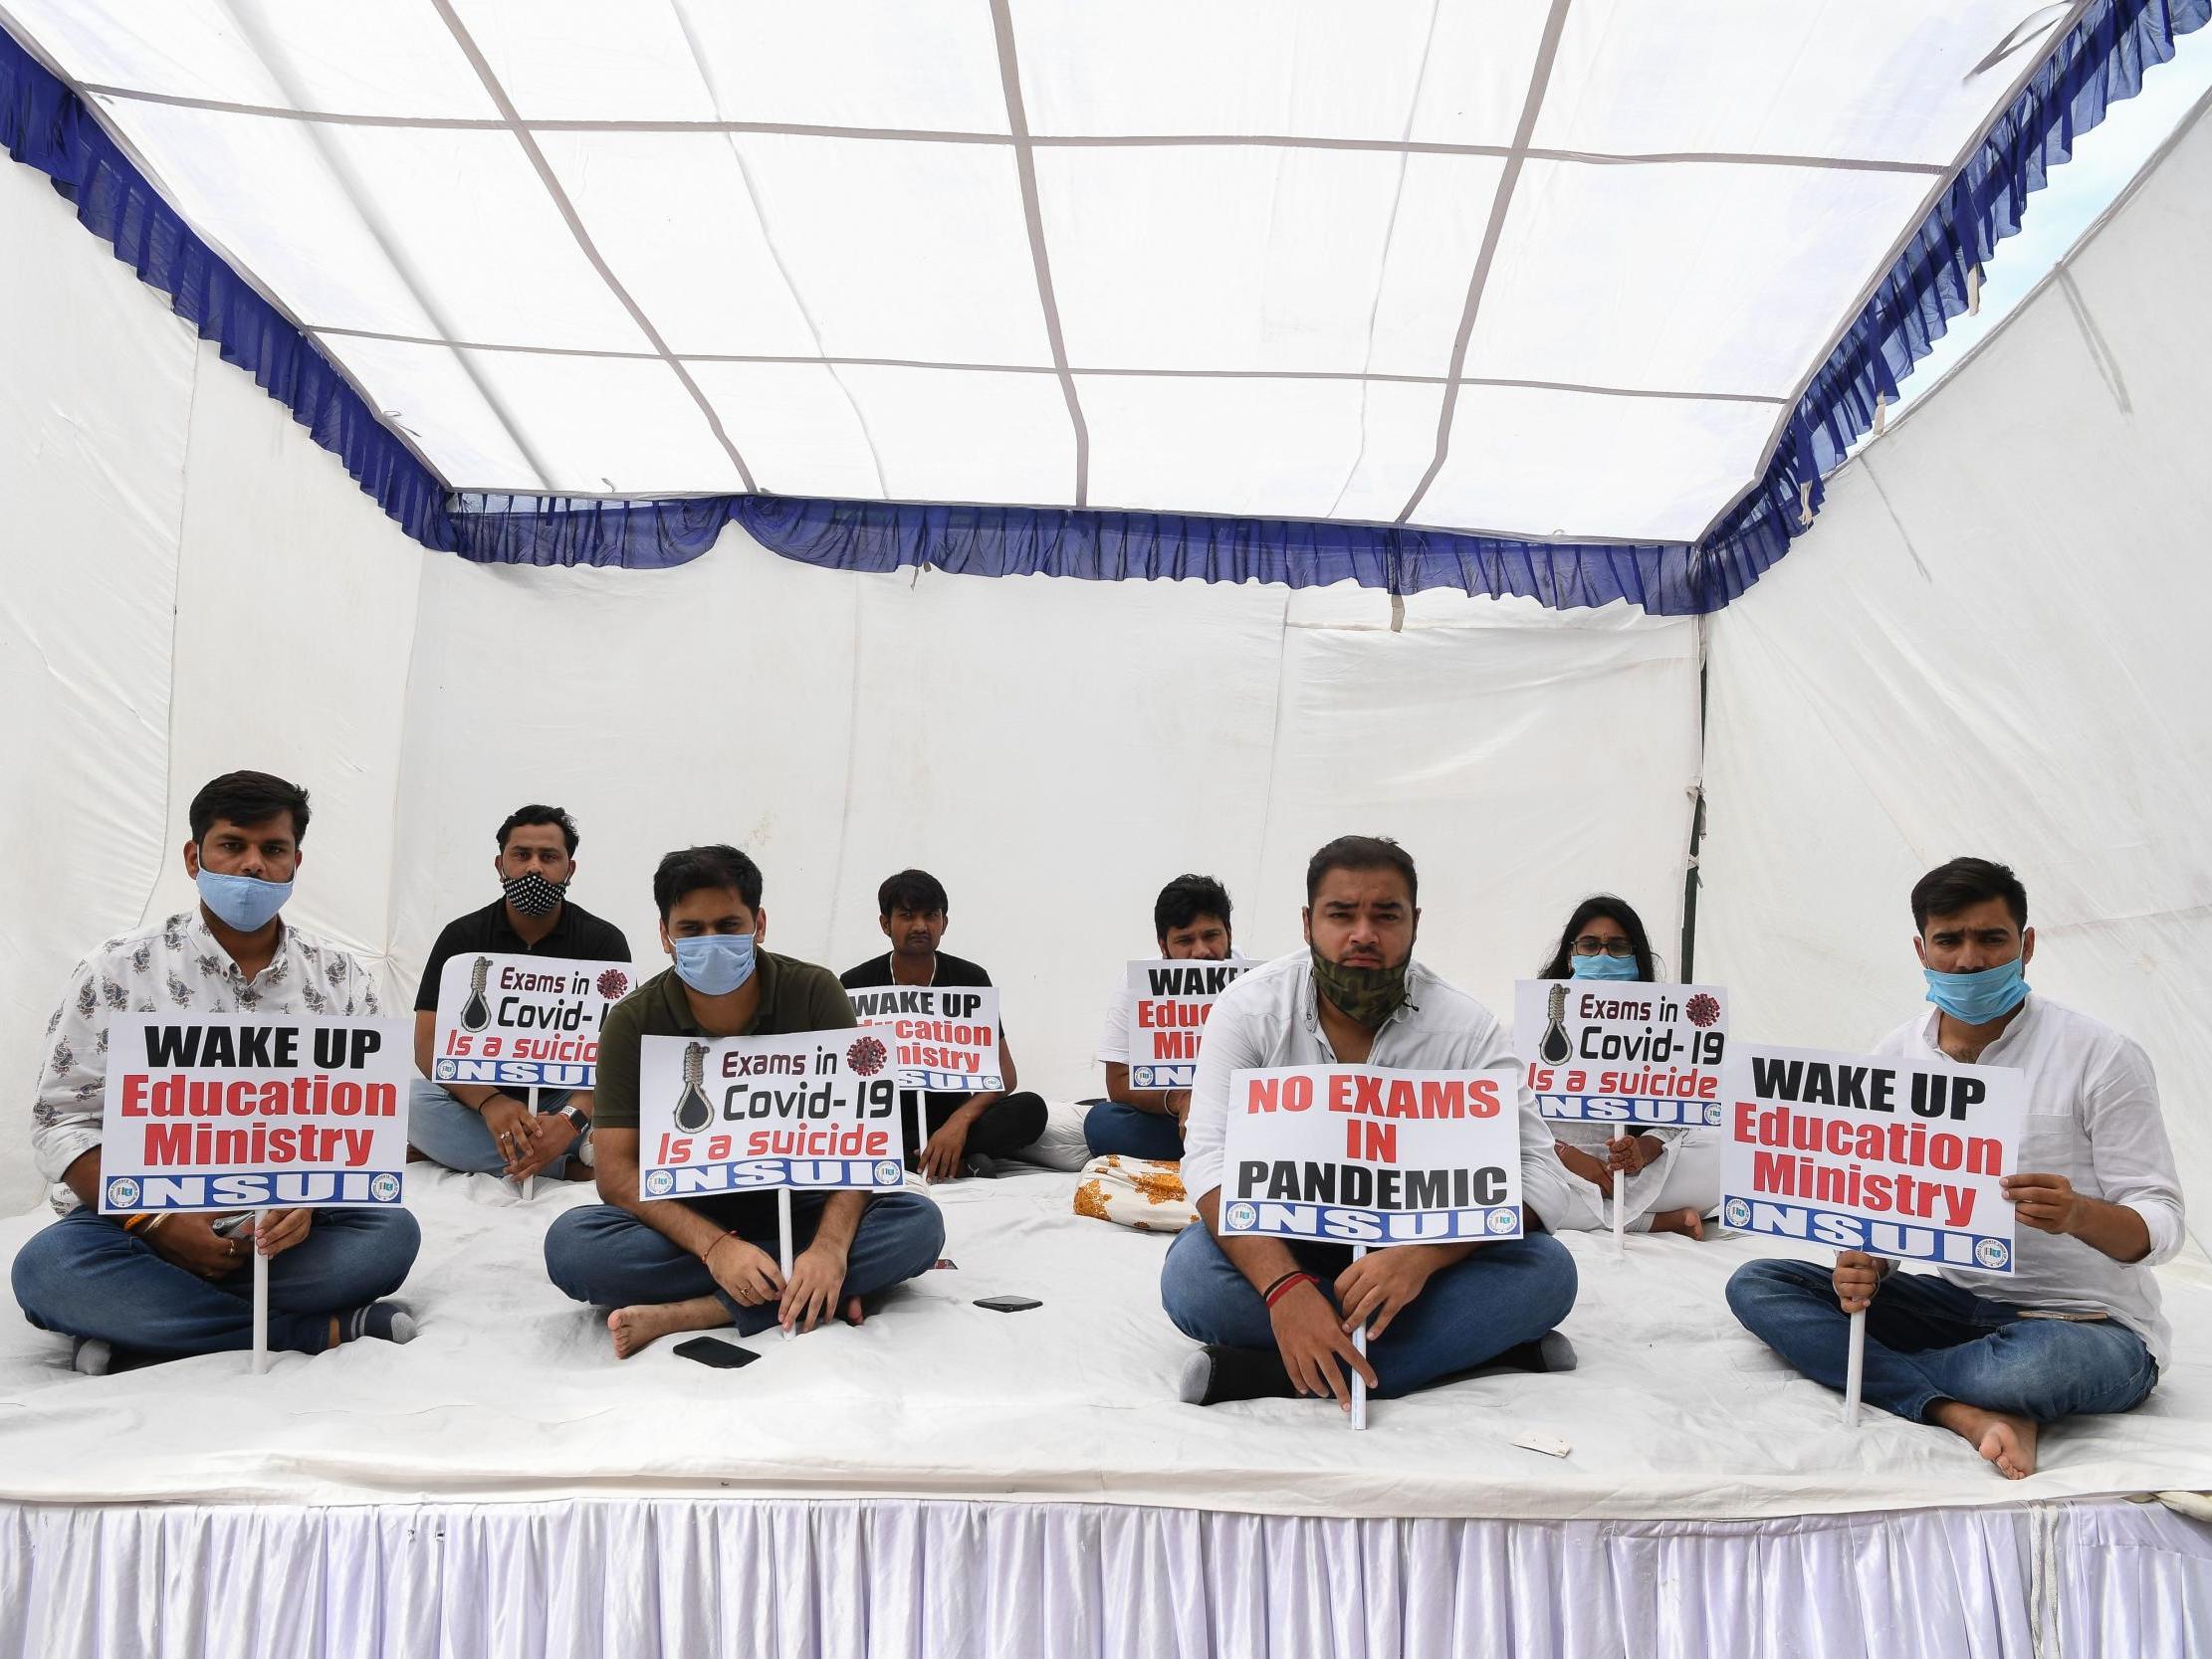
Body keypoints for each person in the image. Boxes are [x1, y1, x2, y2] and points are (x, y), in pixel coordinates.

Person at [1727, 858, 2184, 1479]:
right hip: (1956, 1304)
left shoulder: (2101, 1056)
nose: (1969, 960)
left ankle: (1952, 1387)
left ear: (2026, 945)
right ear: (1922, 949)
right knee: (1759, 1283)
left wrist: (2079, 1213)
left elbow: (2162, 1222)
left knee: (2032, 1369)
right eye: (1949, 940)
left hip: (2087, 1323)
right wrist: (1870, 1261)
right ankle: (1960, 1410)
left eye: (1991, 939)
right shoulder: (1894, 1057)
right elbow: (1889, 1204)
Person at [13, 770, 421, 1373]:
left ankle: (144, 1329)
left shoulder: (341, 979)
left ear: (295, 863)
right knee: (47, 1272)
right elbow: (61, 1121)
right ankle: (312, 1332)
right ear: (193, 856)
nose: (252, 865)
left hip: (284, 1232)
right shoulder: (116, 969)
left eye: (272, 849)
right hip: (138, 1227)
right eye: (232, 845)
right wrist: (159, 1223)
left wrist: (306, 1201)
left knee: (389, 1236)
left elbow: (361, 1123)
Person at [1164, 835, 1579, 1406]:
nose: (1364, 934)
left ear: (1415, 924)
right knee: (1189, 1277)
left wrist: (1424, 1256)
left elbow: (1541, 1171)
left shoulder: (1467, 1030)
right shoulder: (1247, 1010)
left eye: (1386, 915)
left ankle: (1275, 1374)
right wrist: (1286, 1289)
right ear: (1308, 923)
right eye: (1342, 914)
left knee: (1549, 1273)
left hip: (1420, 1260)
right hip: (1291, 1244)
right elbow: (1208, 1158)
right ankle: (1474, 1352)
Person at [543, 846, 944, 1357]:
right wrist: (716, 1248)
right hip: (688, 1215)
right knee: (572, 1246)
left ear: (759, 923)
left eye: (728, 924)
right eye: (690, 930)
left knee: (918, 1224)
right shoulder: (631, 1021)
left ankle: (703, 1310)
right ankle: (812, 1290)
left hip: (803, 1206)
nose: (711, 942)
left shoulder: (815, 992)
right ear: (664, 935)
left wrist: (830, 1247)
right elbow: (617, 1174)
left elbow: (859, 1148)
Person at [408, 804, 631, 1183]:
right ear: (500, 865)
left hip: (569, 1099)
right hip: (481, 1100)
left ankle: (525, 1148)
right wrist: (490, 1102)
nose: (534, 868)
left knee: (640, 1103)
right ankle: (567, 1166)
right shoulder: (461, 939)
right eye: (521, 855)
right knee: (406, 1104)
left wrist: (570, 1119)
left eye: (549, 857)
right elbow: (427, 1047)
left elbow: (619, 1056)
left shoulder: (603, 942)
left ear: (569, 868)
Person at [840, 870, 1047, 1179]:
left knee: (1032, 1109)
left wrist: (958, 1123)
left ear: (944, 923)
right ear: (886, 924)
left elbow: (1005, 1075)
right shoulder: (856, 984)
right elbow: (841, 1078)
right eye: (907, 916)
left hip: (956, 1118)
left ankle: (933, 1156)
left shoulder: (970, 980)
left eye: (931, 915)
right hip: (885, 1123)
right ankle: (960, 1163)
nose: (920, 926)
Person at [1536, 895, 1715, 1239]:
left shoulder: (1664, 1027)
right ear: (1571, 955)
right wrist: (1563, 1154)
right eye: (1590, 946)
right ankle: (1656, 1221)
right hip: (1553, 1166)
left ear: (1636, 957)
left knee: (1723, 1150)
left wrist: (1645, 1148)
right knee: (1516, 1187)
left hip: (1629, 1172)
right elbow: (1509, 1118)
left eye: (1617, 947)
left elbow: (1680, 1112)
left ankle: (1621, 1212)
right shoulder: (1532, 1022)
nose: (1603, 957)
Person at [1085, 874, 1239, 1160]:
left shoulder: (1253, 981)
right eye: (1184, 940)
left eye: (1211, 935)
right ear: (1163, 945)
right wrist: (1180, 1100)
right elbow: (1118, 1081)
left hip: (1234, 1119)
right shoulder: (1136, 984)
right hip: (1168, 1117)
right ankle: (1214, 1157)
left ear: (1228, 931)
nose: (1201, 952)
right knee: (1102, 1122)